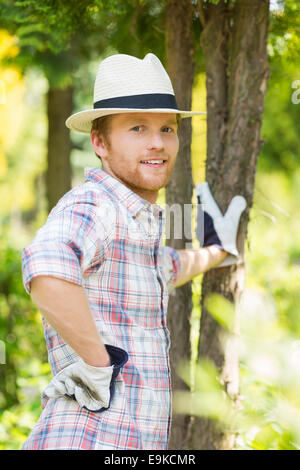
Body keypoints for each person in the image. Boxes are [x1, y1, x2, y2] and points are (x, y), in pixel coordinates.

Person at [21, 53, 246, 450]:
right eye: (137, 128)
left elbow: (166, 267)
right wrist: (98, 363)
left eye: (167, 128)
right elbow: (46, 269)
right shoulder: (94, 205)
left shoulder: (133, 227)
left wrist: (217, 251)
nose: (157, 142)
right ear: (99, 142)